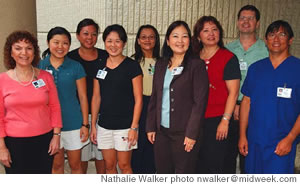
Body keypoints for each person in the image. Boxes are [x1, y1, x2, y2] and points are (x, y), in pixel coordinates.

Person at [146, 20, 209, 174]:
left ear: (190, 40)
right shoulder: (160, 64)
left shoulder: (196, 65)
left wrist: (192, 133)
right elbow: (155, 97)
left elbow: (199, 102)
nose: (180, 41)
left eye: (184, 36)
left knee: (183, 173)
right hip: (162, 132)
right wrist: (150, 126)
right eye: (175, 36)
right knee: (162, 172)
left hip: (184, 133)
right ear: (168, 41)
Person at [239, 20, 300, 174]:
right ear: (265, 40)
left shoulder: (297, 69)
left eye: (282, 34)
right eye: (272, 35)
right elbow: (246, 102)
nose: (276, 39)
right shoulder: (256, 69)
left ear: (290, 40)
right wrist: (242, 136)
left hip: (281, 143)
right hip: (254, 142)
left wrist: (290, 139)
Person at [0, 31, 62, 174]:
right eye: (18, 48)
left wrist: (56, 136)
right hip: (14, 143)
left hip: (44, 140)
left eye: (29, 48)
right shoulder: (2, 80)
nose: (24, 53)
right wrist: (2, 147)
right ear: (10, 52)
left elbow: (55, 107)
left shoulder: (46, 77)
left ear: (34, 52)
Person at [91, 24, 143, 174]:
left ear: (124, 43)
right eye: (109, 41)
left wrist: (134, 127)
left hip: (125, 126)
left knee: (124, 166)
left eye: (117, 41)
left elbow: (138, 99)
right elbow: (96, 97)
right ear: (104, 42)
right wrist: (93, 125)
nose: (113, 45)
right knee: (109, 165)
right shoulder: (99, 65)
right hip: (104, 125)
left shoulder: (132, 66)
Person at [192, 16, 241, 174]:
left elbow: (233, 93)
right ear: (199, 36)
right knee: (198, 165)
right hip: (197, 120)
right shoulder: (193, 58)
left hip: (219, 120)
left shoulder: (228, 58)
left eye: (214, 29)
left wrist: (225, 121)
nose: (211, 33)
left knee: (218, 166)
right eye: (205, 30)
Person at [39, 27, 89, 174]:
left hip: (73, 123)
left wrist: (85, 124)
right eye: (56, 42)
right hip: (49, 125)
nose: (60, 47)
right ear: (48, 43)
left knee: (76, 166)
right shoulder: (39, 66)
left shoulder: (76, 66)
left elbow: (83, 97)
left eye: (65, 43)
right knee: (56, 166)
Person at [225, 5, 269, 173]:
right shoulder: (227, 49)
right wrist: (235, 105)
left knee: (249, 157)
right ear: (237, 22)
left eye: (251, 18)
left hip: (255, 110)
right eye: (243, 18)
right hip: (229, 109)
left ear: (257, 23)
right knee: (227, 157)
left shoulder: (266, 49)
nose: (246, 21)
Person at [68, 18, 107, 174]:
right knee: (81, 160)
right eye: (85, 33)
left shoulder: (105, 56)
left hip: (103, 116)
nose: (89, 38)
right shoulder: (70, 58)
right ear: (77, 36)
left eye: (93, 34)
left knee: (102, 158)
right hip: (79, 117)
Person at [131, 24, 160, 174]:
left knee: (153, 145)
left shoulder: (164, 62)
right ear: (138, 40)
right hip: (138, 106)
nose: (147, 40)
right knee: (138, 145)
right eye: (143, 37)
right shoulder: (131, 62)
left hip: (157, 106)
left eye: (151, 37)